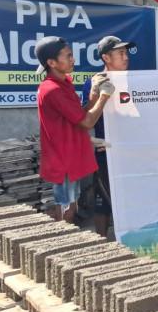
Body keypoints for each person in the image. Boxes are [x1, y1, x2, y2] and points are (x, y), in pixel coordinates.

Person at [36, 36, 113, 223]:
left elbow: (78, 115)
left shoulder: (64, 84)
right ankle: (62, 238)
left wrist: (94, 95)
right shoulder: (52, 89)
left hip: (70, 156)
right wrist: (104, 97)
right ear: (52, 63)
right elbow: (86, 122)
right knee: (66, 208)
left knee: (71, 204)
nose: (73, 59)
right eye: (68, 56)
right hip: (63, 160)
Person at [81, 36, 134, 236]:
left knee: (133, 198)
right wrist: (95, 94)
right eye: (120, 53)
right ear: (106, 57)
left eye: (126, 52)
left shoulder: (137, 80)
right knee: (102, 200)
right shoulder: (94, 82)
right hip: (107, 151)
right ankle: (101, 243)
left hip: (133, 151)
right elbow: (84, 117)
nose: (126, 57)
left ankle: (135, 239)